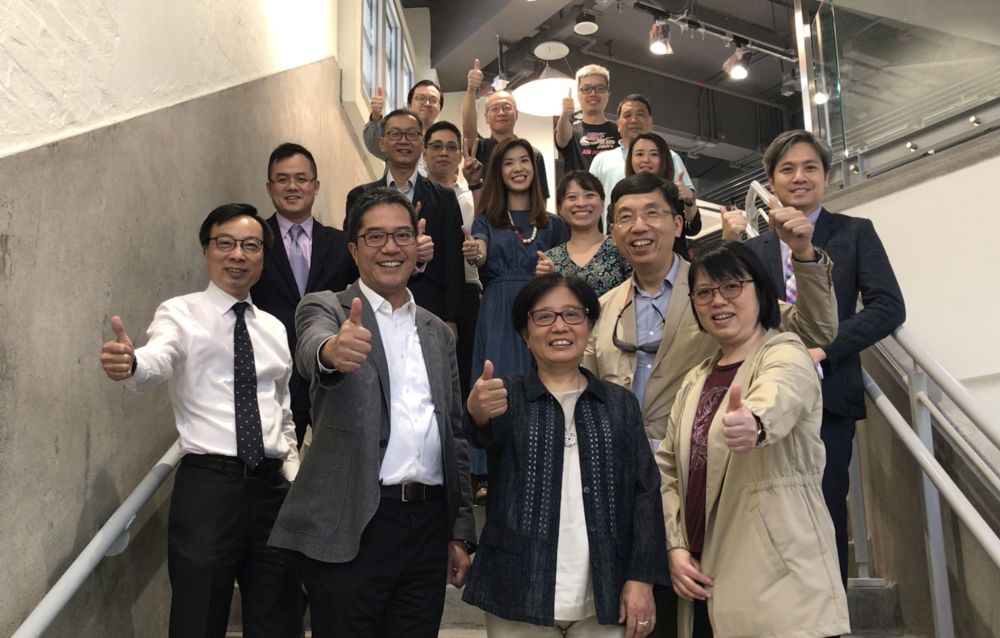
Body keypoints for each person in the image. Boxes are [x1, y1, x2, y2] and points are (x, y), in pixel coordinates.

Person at [582, 173, 839, 638]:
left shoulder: (717, 283)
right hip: (643, 485)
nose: (639, 226)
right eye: (624, 218)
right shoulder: (602, 308)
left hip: (733, 496)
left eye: (652, 213)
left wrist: (803, 254)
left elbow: (808, 339)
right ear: (613, 233)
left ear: (679, 223)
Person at [268, 189, 476, 637]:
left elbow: (454, 436)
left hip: (425, 526)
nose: (390, 247)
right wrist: (333, 352)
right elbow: (311, 349)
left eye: (401, 235)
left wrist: (458, 529)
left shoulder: (437, 332)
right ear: (354, 249)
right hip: (354, 523)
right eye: (375, 236)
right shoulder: (327, 307)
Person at [99, 204, 302, 638]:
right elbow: (160, 356)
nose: (238, 255)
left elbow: (280, 412)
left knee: (279, 618)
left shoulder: (274, 328)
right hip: (210, 487)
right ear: (206, 250)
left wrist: (293, 476)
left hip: (272, 491)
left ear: (263, 256)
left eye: (250, 246)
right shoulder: (180, 313)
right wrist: (132, 364)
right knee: (198, 617)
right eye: (225, 243)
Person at [721, 129, 906, 584]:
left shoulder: (854, 233)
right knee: (766, 518)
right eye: (787, 169)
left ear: (826, 176)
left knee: (825, 510)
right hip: (764, 400)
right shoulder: (751, 249)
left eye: (809, 168)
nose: (799, 177)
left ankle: (830, 621)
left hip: (830, 395)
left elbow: (888, 307)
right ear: (771, 181)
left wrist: (823, 349)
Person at [656, 241, 851, 637]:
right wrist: (675, 547)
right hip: (703, 577)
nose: (718, 301)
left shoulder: (786, 352)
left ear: (760, 291)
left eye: (731, 287)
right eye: (704, 293)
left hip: (779, 582)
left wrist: (755, 423)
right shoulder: (696, 379)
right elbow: (667, 470)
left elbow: (779, 396)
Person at [464, 272, 667, 637]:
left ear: (588, 325)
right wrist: (478, 411)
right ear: (525, 334)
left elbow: (645, 492)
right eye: (543, 316)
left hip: (606, 593)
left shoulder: (618, 403)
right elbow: (481, 435)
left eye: (572, 314)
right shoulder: (505, 397)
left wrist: (642, 577)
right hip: (518, 591)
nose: (559, 326)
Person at [462, 137, 569, 502]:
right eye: (509, 163)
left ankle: (541, 462)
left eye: (524, 161)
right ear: (499, 172)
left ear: (534, 170)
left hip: (541, 310)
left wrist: (553, 271)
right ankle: (489, 471)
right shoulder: (486, 220)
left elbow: (567, 273)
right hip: (499, 311)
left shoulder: (553, 224)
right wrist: (476, 253)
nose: (518, 168)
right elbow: (479, 251)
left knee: (541, 383)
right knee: (499, 384)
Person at [251, 142, 358, 446]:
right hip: (273, 373)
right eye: (282, 179)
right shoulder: (252, 242)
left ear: (316, 185)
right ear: (270, 188)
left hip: (331, 371)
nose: (292, 186)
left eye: (301, 178)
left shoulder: (341, 244)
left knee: (338, 461)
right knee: (275, 471)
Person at [347, 109, 466, 338]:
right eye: (395, 134)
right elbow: (354, 257)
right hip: (375, 306)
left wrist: (451, 318)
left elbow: (454, 264)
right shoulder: (360, 196)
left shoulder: (445, 197)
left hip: (430, 308)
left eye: (412, 134)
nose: (404, 141)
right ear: (381, 143)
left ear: (422, 144)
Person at [423, 120, 482, 400]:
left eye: (451, 147)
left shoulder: (473, 197)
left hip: (467, 293)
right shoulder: (413, 197)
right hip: (426, 291)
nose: (443, 152)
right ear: (424, 154)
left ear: (460, 154)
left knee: (461, 378)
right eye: (436, 146)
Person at [588, 95, 694, 230]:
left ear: (650, 122)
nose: (633, 120)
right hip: (616, 240)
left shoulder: (669, 157)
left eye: (640, 114)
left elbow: (690, 214)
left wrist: (689, 198)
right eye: (627, 115)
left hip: (662, 238)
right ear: (619, 124)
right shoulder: (601, 160)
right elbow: (591, 205)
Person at [462, 58, 551, 200]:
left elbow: (541, 199)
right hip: (488, 219)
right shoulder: (481, 148)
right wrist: (471, 89)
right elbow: (467, 130)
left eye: (506, 108)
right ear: (486, 117)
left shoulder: (533, 154)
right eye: (495, 109)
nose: (501, 112)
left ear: (516, 115)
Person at [536, 170, 631, 297]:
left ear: (602, 203)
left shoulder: (622, 248)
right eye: (571, 197)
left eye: (589, 195)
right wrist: (543, 280)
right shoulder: (550, 259)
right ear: (560, 208)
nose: (581, 203)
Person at [625, 133, 700, 258]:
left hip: (675, 269)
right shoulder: (622, 197)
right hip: (633, 269)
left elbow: (693, 228)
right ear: (630, 159)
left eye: (654, 154)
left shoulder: (672, 193)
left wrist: (689, 199)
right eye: (639, 154)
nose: (646, 160)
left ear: (663, 159)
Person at [363, 79, 443, 174]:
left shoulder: (444, 140)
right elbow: (374, 145)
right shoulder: (396, 132)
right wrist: (376, 117)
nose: (427, 104)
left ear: (439, 108)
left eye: (433, 100)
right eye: (421, 98)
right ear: (409, 105)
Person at [555, 64, 620, 171]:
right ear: (578, 95)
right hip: (579, 187)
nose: (593, 93)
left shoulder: (620, 131)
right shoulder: (571, 131)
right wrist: (565, 115)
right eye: (586, 89)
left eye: (600, 88)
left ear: (608, 95)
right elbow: (562, 138)